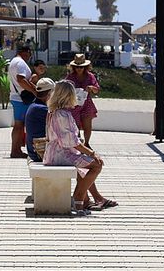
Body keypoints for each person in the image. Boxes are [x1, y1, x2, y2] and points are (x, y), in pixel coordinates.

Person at [42, 79, 116, 211]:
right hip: (60, 155)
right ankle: (79, 195)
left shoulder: (55, 112)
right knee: (96, 164)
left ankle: (87, 199)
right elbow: (71, 142)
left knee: (86, 166)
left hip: (57, 152)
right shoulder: (62, 115)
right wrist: (91, 153)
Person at [7, 43, 37, 158]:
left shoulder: (14, 61)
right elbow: (21, 79)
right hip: (21, 99)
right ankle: (15, 151)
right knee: (19, 125)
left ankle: (17, 149)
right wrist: (33, 90)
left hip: (17, 97)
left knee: (19, 125)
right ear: (26, 52)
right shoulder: (20, 63)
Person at [67, 54, 100, 145]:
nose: (79, 69)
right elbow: (65, 89)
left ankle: (87, 143)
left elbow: (96, 90)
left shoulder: (90, 76)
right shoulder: (70, 77)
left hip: (87, 104)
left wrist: (92, 88)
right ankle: (77, 144)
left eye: (81, 67)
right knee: (75, 126)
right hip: (74, 104)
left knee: (87, 125)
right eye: (77, 67)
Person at [26, 77, 56, 161]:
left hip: (35, 151)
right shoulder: (41, 109)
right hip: (39, 152)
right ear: (50, 93)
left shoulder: (34, 106)